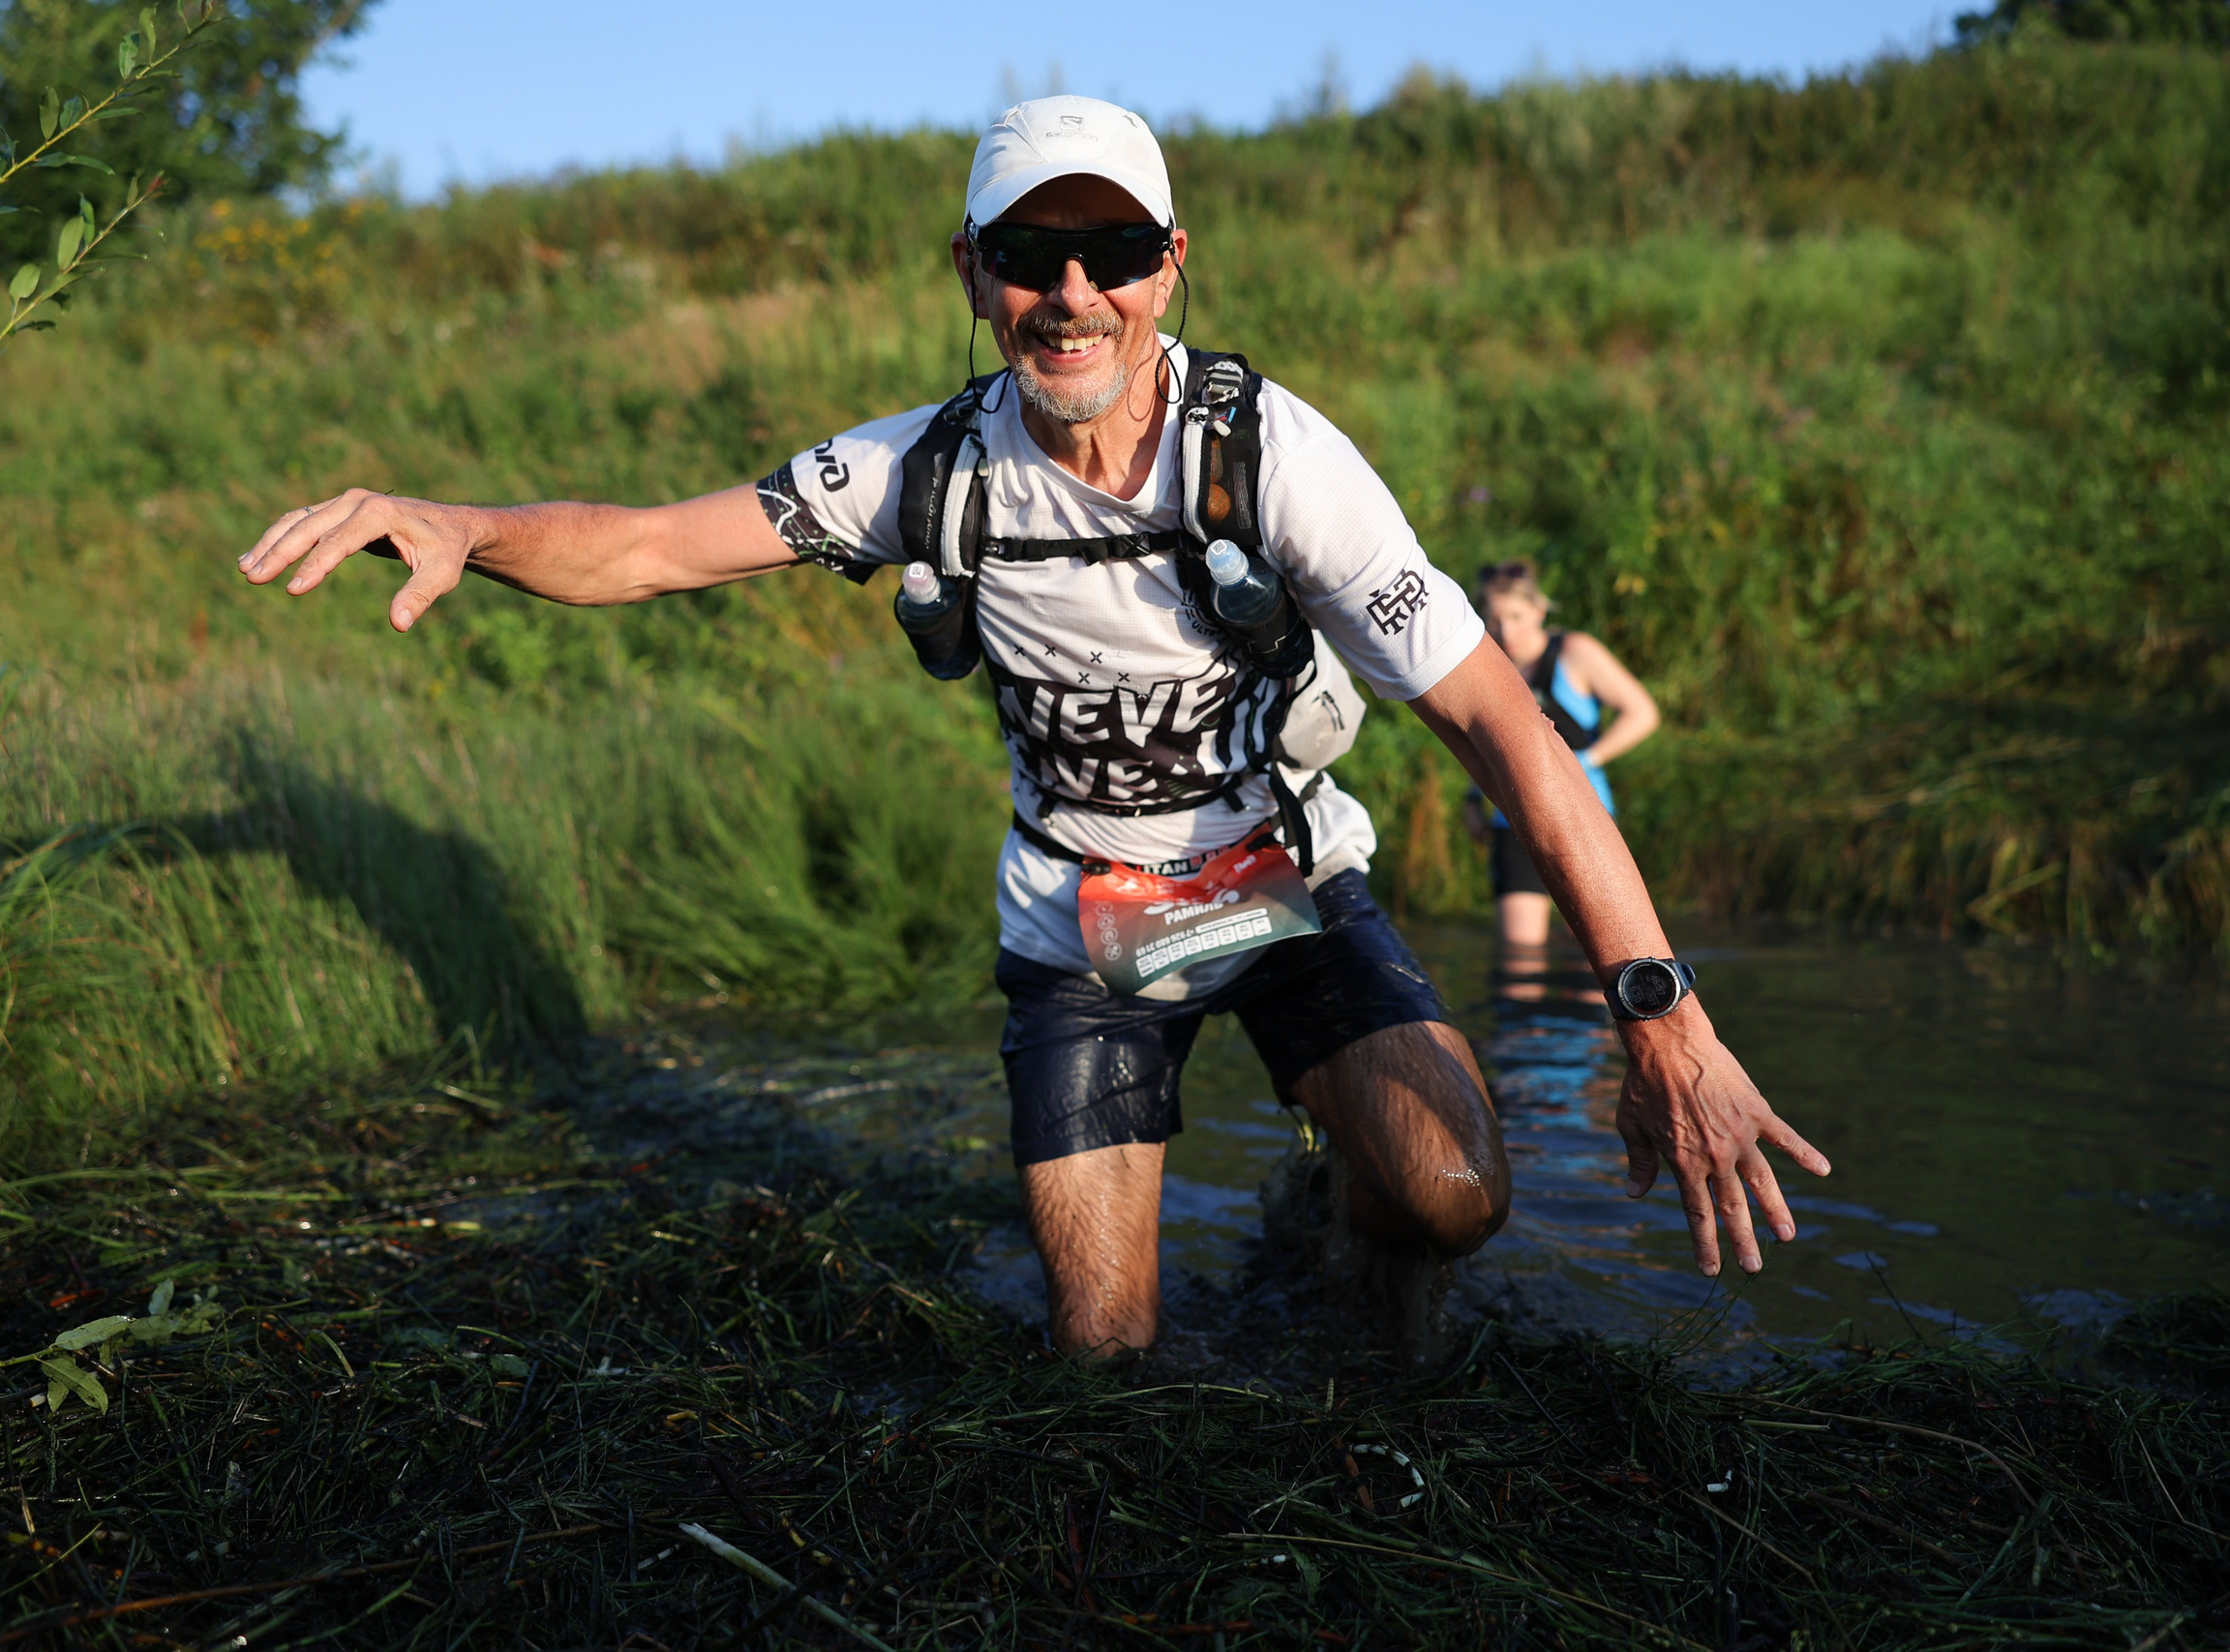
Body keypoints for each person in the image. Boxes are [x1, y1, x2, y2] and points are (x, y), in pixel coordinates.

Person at [235, 97, 1828, 1358]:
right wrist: (460, 522)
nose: (1071, 296)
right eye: (1028, 254)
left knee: (1452, 1200)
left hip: (1282, 886)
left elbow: (1506, 728)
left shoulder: (1276, 460)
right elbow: (647, 547)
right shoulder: (918, 470)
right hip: (1081, 925)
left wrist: (1658, 1012)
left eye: (1111, 251)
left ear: (1169, 264)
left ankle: (1343, 1219)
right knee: (1103, 1359)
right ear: (971, 269)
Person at [1465, 561, 1661, 949]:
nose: (1507, 632)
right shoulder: (1487, 664)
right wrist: (1473, 799)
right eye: (1495, 620)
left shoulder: (1575, 651)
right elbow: (1483, 738)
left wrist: (1585, 762)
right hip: (1513, 816)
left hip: (1584, 808)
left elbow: (1642, 713)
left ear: (1539, 610)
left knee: (1598, 948)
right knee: (1521, 950)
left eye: (1516, 617)